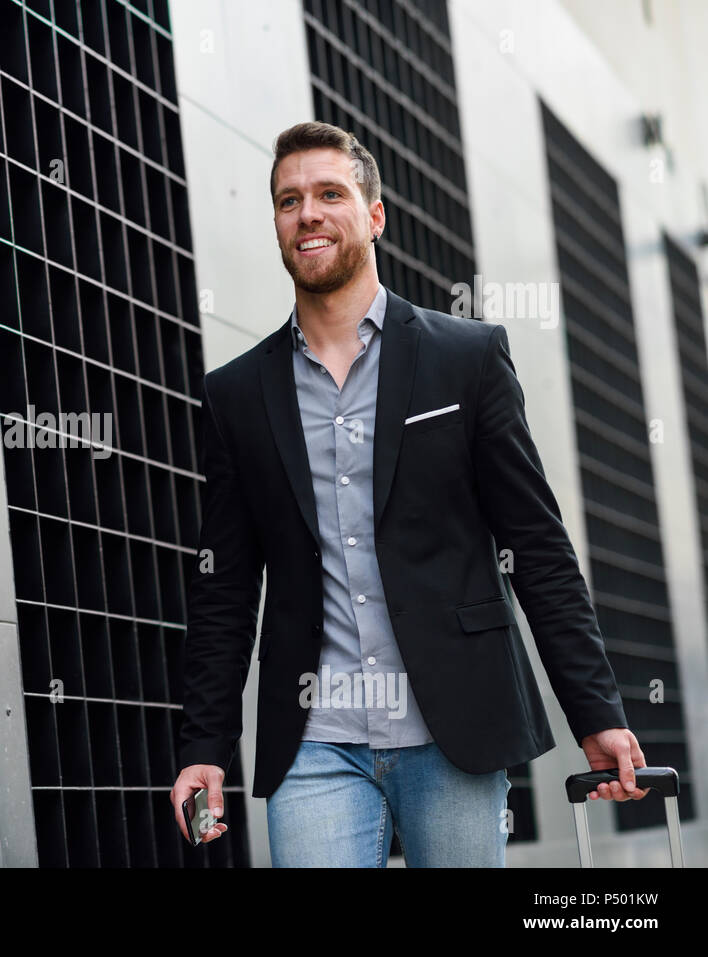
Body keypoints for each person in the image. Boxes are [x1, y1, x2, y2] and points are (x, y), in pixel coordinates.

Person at [170, 120, 648, 867]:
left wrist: (598, 711)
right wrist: (204, 743)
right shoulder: (238, 394)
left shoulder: (467, 359)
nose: (310, 213)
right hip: (315, 740)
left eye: (331, 193)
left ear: (374, 214)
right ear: (277, 224)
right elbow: (225, 587)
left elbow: (539, 550)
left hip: (450, 727)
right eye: (289, 200)